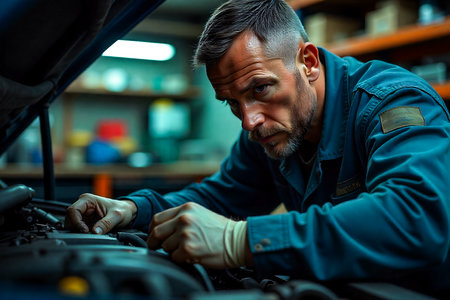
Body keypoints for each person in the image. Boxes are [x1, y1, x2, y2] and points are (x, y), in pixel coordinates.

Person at [66, 0, 450, 294]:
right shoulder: (270, 131)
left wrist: (241, 240)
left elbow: (416, 217)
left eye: (260, 89)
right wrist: (134, 208)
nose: (249, 121)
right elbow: (221, 196)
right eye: (233, 103)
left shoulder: (390, 102)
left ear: (309, 62)